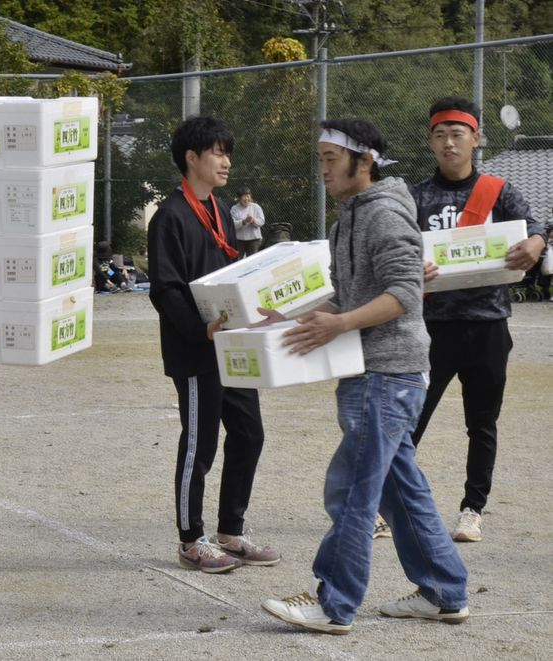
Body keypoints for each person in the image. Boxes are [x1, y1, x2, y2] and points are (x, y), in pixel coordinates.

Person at [260, 118, 469, 634]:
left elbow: (401, 293)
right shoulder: (349, 218)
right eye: (320, 158)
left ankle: (334, 605)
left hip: (386, 375)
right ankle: (444, 592)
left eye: (331, 158)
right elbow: (351, 297)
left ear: (365, 160)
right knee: (401, 492)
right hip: (378, 372)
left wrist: (340, 324)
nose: (323, 168)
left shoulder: (384, 217)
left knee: (351, 489)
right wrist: (290, 318)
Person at [408, 97, 546, 543]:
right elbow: (396, 251)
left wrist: (537, 243)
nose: (449, 144)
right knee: (410, 419)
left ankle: (473, 510)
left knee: (482, 424)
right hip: (432, 328)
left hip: (488, 324)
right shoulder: (416, 197)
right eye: (440, 135)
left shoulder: (499, 191)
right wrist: (413, 267)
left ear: (476, 139)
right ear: (430, 141)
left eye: (458, 134)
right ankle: (389, 504)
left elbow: (538, 225)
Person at [147, 116, 279, 574]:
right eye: (218, 152)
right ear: (192, 158)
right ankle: (190, 540)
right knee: (200, 445)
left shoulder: (222, 211)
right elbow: (164, 288)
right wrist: (199, 330)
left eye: (227, 153)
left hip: (233, 346)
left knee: (249, 433)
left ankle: (230, 530)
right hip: (197, 351)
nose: (227, 161)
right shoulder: (170, 216)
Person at [229, 186, 265, 256]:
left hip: (254, 240)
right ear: (239, 198)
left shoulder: (256, 207)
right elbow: (232, 224)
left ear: (250, 197)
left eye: (248, 196)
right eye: (244, 197)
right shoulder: (234, 208)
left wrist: (253, 221)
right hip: (239, 240)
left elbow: (262, 221)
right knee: (237, 261)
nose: (246, 199)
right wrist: (243, 222)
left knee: (252, 261)